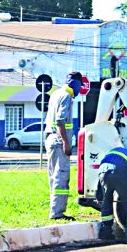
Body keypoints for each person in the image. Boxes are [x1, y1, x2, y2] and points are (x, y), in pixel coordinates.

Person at [45, 71, 82, 220]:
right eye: (80, 85)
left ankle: (54, 210)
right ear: (76, 83)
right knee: (61, 176)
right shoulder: (66, 96)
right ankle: (57, 214)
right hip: (59, 141)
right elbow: (60, 121)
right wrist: (66, 143)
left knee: (54, 176)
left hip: (50, 139)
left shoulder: (56, 94)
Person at [96, 146, 127, 244]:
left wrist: (99, 195)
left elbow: (101, 181)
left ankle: (106, 233)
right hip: (119, 170)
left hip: (103, 170)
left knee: (107, 201)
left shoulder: (117, 149)